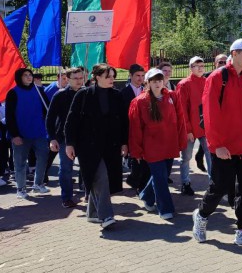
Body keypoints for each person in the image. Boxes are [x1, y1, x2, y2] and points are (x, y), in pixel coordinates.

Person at [192, 39, 242, 246]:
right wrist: (217, 145)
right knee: (220, 187)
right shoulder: (217, 77)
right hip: (224, 147)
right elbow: (210, 113)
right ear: (234, 53)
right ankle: (201, 215)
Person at [65, 64, 129, 229]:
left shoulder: (117, 95)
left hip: (111, 146)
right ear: (97, 77)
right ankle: (106, 216)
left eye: (113, 76)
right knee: (100, 177)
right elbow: (71, 121)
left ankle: (93, 214)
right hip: (88, 146)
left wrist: (124, 142)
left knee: (98, 178)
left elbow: (123, 121)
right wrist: (69, 143)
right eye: (108, 76)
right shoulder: (83, 95)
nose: (111, 80)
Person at [128, 69, 187, 220]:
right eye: (154, 81)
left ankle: (147, 196)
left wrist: (181, 141)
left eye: (160, 80)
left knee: (161, 176)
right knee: (161, 179)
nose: (157, 83)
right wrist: (137, 151)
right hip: (152, 147)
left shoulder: (172, 96)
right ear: (147, 83)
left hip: (170, 144)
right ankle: (165, 209)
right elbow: (135, 128)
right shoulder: (139, 101)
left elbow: (180, 120)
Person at [6, 68, 50, 198]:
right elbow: (10, 116)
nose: (29, 77)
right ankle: (21, 188)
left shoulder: (39, 90)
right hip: (21, 134)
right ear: (19, 77)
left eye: (30, 75)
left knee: (43, 158)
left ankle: (38, 184)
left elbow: (47, 110)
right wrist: (14, 135)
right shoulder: (13, 93)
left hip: (39, 132)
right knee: (20, 162)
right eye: (25, 75)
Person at [46, 67, 85, 207]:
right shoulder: (60, 95)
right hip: (64, 138)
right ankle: (66, 197)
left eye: (81, 78)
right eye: (76, 78)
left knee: (87, 167)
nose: (79, 81)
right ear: (67, 79)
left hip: (85, 137)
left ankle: (87, 193)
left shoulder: (87, 93)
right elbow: (50, 119)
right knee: (66, 168)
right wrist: (52, 138)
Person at [176, 56, 211, 191]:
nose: (200, 68)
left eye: (202, 66)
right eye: (197, 65)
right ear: (191, 67)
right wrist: (188, 129)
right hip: (190, 128)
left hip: (205, 127)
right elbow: (182, 109)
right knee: (186, 157)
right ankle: (185, 182)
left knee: (210, 155)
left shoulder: (207, 82)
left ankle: (212, 183)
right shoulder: (184, 84)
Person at [122, 64, 150, 192]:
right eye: (137, 76)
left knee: (144, 159)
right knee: (135, 159)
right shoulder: (124, 93)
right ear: (131, 76)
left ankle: (139, 182)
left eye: (143, 76)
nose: (140, 78)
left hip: (146, 132)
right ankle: (136, 181)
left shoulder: (147, 91)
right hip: (130, 131)